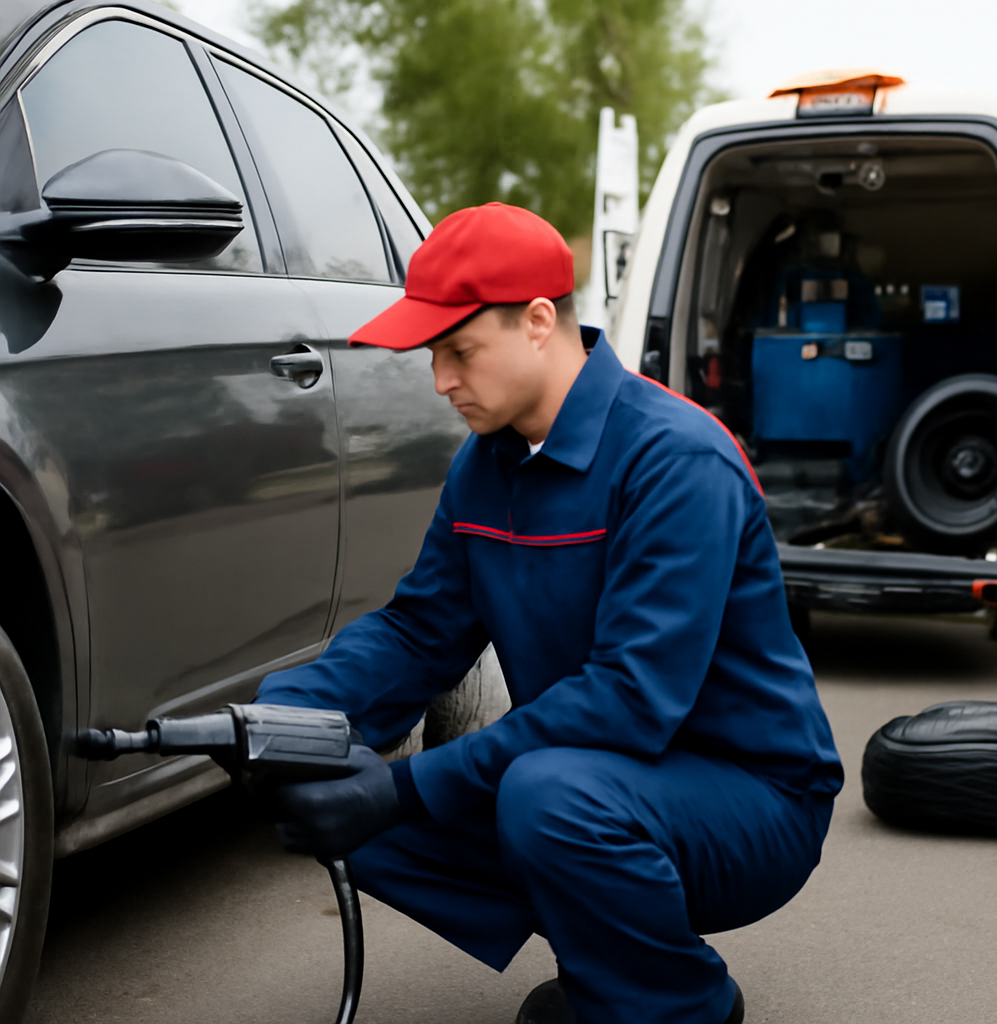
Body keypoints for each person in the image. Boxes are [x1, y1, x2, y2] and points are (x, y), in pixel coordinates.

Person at [256, 202, 844, 1024]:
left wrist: (406, 787)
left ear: (538, 322)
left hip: (754, 799)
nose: (440, 382)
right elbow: (420, 632)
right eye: (433, 355)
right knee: (330, 792)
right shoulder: (485, 465)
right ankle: (610, 952)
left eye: (459, 352)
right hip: (595, 779)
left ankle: (677, 1003)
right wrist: (281, 718)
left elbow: (630, 702)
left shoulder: (676, 460)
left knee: (540, 794)